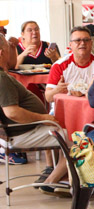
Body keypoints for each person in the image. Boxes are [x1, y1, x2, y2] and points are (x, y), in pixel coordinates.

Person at [0, 61, 69, 193]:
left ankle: (61, 176)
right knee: (77, 138)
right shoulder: (2, 78)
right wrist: (42, 118)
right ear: (2, 52)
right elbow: (12, 112)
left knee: (64, 132)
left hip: (19, 132)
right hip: (22, 134)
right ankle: (51, 181)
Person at [45, 27, 94, 104]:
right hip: (67, 108)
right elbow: (48, 97)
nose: (82, 43)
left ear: (91, 43)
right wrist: (57, 90)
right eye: (78, 40)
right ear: (70, 45)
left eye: (86, 40)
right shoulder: (59, 65)